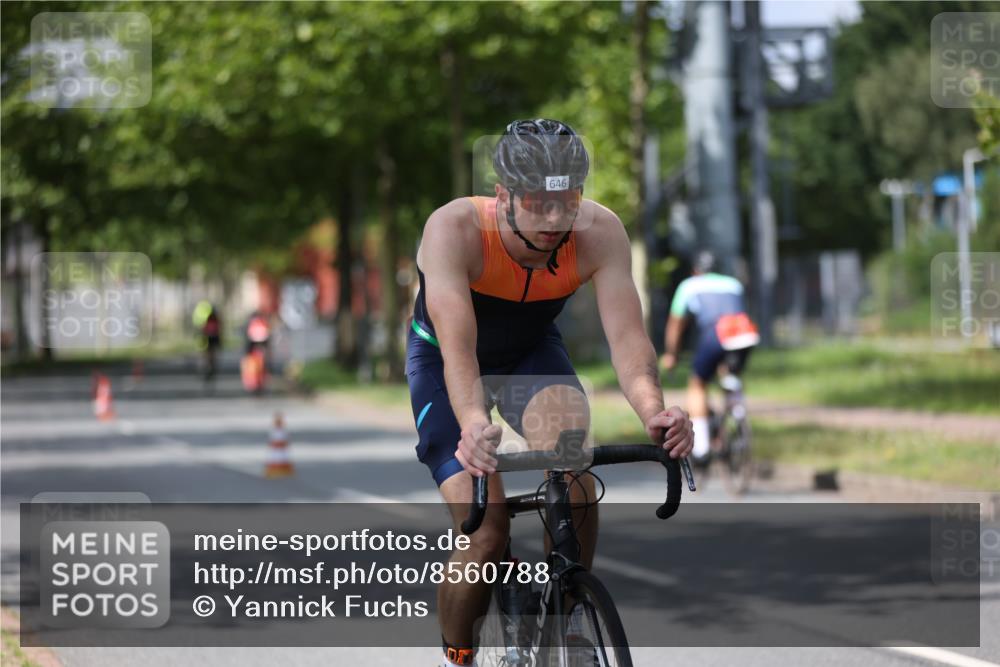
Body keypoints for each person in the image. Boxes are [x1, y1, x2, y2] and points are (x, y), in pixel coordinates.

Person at [406, 119, 694, 667]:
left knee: (574, 468)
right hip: (446, 360)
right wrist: (473, 424)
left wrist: (654, 412)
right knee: (485, 532)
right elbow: (459, 350)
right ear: (503, 195)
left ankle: (570, 612)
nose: (555, 219)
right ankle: (458, 655)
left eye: (567, 202)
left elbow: (628, 340)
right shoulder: (454, 229)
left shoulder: (600, 231)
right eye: (538, 203)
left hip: (530, 352)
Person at [660, 250, 759, 464]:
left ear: (696, 270)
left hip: (716, 333)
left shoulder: (689, 285)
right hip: (744, 333)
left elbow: (675, 325)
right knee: (729, 372)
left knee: (697, 384)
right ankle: (737, 413)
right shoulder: (733, 284)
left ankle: (702, 448)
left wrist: (671, 355)